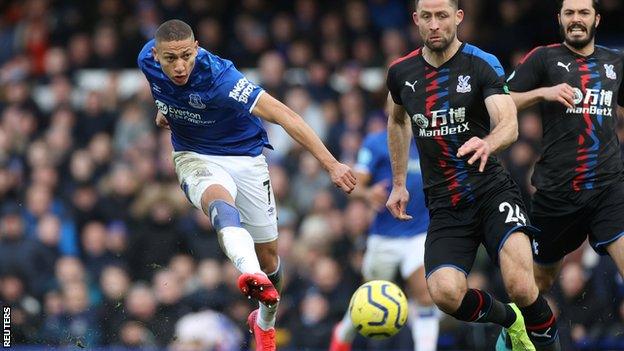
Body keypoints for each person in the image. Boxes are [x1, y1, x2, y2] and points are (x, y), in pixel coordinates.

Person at [137, 19, 357, 351]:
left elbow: (286, 116)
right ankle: (250, 275)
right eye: (170, 59)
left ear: (197, 48)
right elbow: (162, 89)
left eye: (186, 56)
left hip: (246, 158)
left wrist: (331, 164)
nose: (179, 66)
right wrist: (164, 108)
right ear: (156, 55)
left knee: (270, 259)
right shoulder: (146, 61)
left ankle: (264, 319)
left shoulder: (223, 78)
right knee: (218, 204)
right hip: (194, 156)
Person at [384, 1, 562, 351]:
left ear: (458, 18)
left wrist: (489, 142)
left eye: (443, 16)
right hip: (446, 207)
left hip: (492, 193)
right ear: (416, 20)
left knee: (522, 286)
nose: (435, 24)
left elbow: (508, 122)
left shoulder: (481, 63)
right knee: (444, 294)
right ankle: (510, 321)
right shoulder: (401, 72)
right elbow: (398, 120)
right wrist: (400, 182)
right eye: (428, 17)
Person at [506, 0, 624, 310]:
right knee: (540, 282)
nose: (576, 19)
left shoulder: (616, 62)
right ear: (559, 18)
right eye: (569, 13)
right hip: (557, 194)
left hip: (608, 188)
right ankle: (515, 332)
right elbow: (501, 99)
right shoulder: (544, 58)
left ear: (596, 19)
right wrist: (542, 93)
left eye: (583, 12)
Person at [329, 129, 440, 351]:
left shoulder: (430, 138)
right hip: (384, 236)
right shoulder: (376, 142)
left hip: (420, 232)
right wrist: (367, 194)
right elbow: (354, 183)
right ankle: (342, 335)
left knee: (425, 295)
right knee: (369, 296)